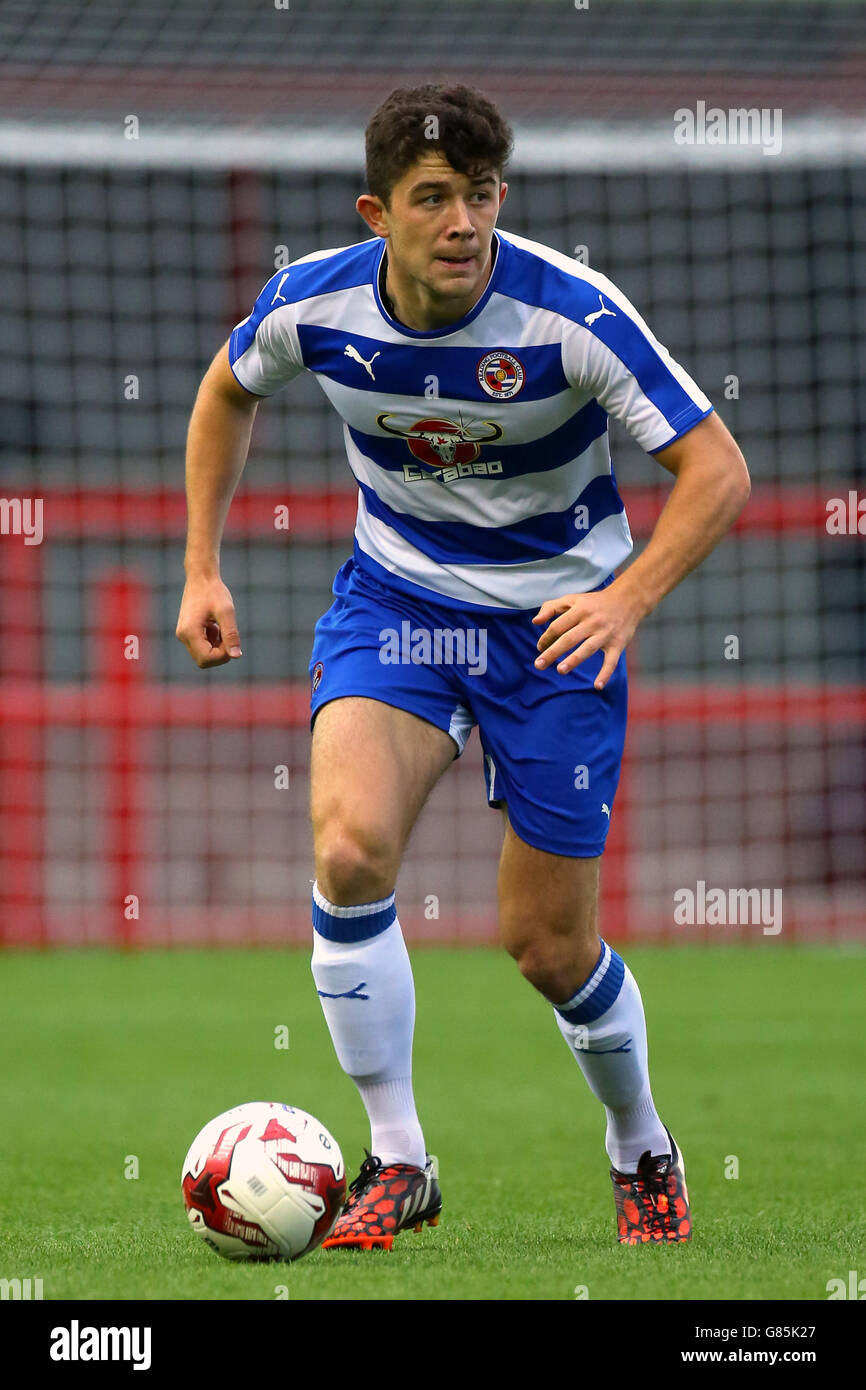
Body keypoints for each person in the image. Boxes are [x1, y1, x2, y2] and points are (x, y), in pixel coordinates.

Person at [176, 83, 751, 1250]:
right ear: (374, 212)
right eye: (432, 198)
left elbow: (717, 469)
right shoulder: (316, 302)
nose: (462, 221)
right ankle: (398, 1159)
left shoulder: (570, 314)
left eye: (480, 195)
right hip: (398, 602)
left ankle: (637, 1137)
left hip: (554, 630)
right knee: (345, 848)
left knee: (546, 945)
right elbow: (227, 387)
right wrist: (200, 566)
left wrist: (624, 598)